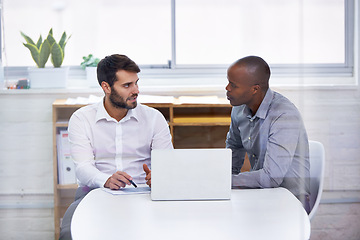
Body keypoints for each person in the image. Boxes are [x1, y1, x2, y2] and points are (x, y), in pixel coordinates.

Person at [59, 54, 173, 239]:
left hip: (145, 194)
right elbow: (83, 168)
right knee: (68, 234)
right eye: (127, 85)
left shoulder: (154, 118)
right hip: (96, 192)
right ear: (106, 87)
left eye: (136, 82)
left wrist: (159, 176)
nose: (135, 90)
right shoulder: (82, 119)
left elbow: (168, 164)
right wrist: (105, 180)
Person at [225, 56, 310, 213]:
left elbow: (272, 177)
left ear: (255, 89)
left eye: (233, 85)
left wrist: (225, 181)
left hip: (291, 200)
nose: (227, 88)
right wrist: (225, 177)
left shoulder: (283, 114)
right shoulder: (238, 109)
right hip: (262, 193)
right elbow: (234, 147)